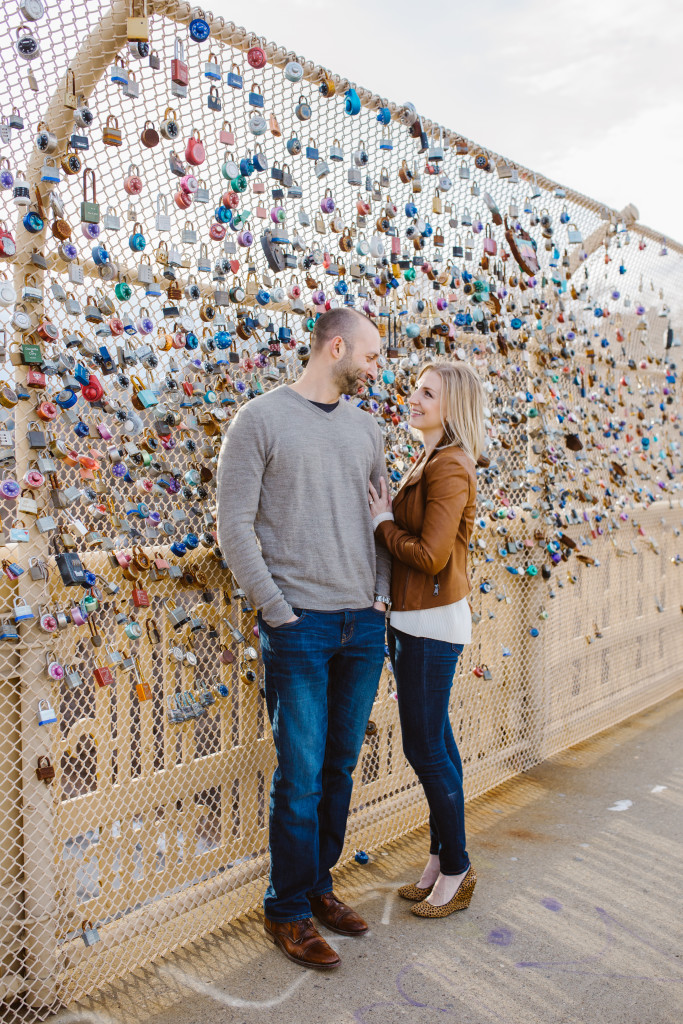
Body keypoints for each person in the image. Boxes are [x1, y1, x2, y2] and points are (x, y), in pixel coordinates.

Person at [216, 308, 391, 968]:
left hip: (361, 625)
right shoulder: (257, 421)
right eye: (371, 354)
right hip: (299, 627)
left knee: (339, 766)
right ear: (336, 346)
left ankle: (317, 886)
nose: (376, 366)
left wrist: (377, 596)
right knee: (298, 777)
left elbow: (380, 518)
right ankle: (285, 907)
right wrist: (278, 610)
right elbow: (234, 528)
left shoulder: (366, 429)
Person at [368, 360, 485, 918]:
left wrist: (380, 523)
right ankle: (441, 858)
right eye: (415, 388)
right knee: (438, 741)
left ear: (451, 405)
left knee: (423, 747)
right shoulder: (433, 457)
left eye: (427, 392)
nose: (413, 398)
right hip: (418, 617)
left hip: (431, 622)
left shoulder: (450, 467)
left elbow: (431, 555)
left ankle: (458, 866)